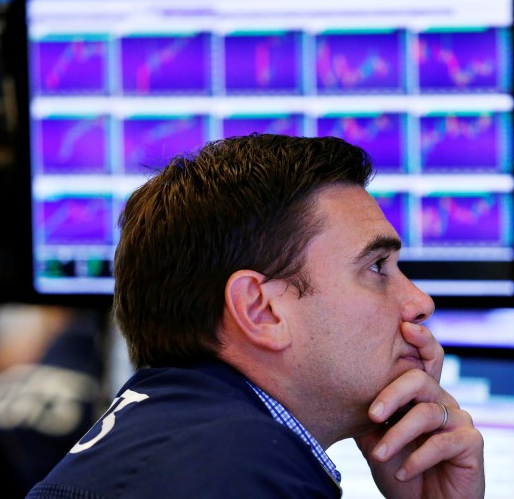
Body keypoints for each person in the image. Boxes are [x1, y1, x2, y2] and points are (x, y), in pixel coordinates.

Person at [25, 133, 485, 498]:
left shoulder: (175, 439)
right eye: (376, 268)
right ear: (260, 310)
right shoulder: (236, 463)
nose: (419, 302)